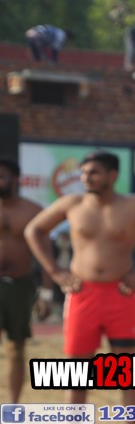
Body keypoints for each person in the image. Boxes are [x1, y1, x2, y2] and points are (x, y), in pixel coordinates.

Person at [24, 151, 135, 424]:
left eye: (93, 172)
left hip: (120, 294)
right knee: (76, 373)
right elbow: (34, 231)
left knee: (127, 373)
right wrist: (55, 271)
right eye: (84, 172)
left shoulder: (134, 205)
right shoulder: (73, 204)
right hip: (82, 294)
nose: (86, 178)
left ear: (112, 175)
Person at [0, 158, 51, 403]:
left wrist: (47, 294)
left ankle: (12, 406)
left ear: (15, 179)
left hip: (20, 285)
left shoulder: (33, 211)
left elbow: (45, 254)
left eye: (1, 176)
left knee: (16, 347)